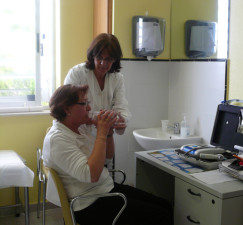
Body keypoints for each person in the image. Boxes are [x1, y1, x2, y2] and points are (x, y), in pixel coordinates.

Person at [43, 84, 173, 225]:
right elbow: (91, 175)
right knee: (162, 215)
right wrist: (101, 133)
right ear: (66, 109)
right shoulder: (58, 139)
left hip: (103, 189)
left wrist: (109, 132)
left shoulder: (79, 129)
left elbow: (108, 156)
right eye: (83, 103)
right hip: (88, 204)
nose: (88, 108)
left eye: (88, 103)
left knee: (165, 205)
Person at [64, 33, 131, 135]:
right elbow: (69, 110)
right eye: (99, 57)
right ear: (92, 56)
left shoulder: (117, 79)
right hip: (76, 137)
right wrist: (103, 118)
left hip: (104, 138)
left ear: (115, 60)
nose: (103, 63)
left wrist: (120, 122)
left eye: (108, 59)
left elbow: (121, 109)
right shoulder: (77, 74)